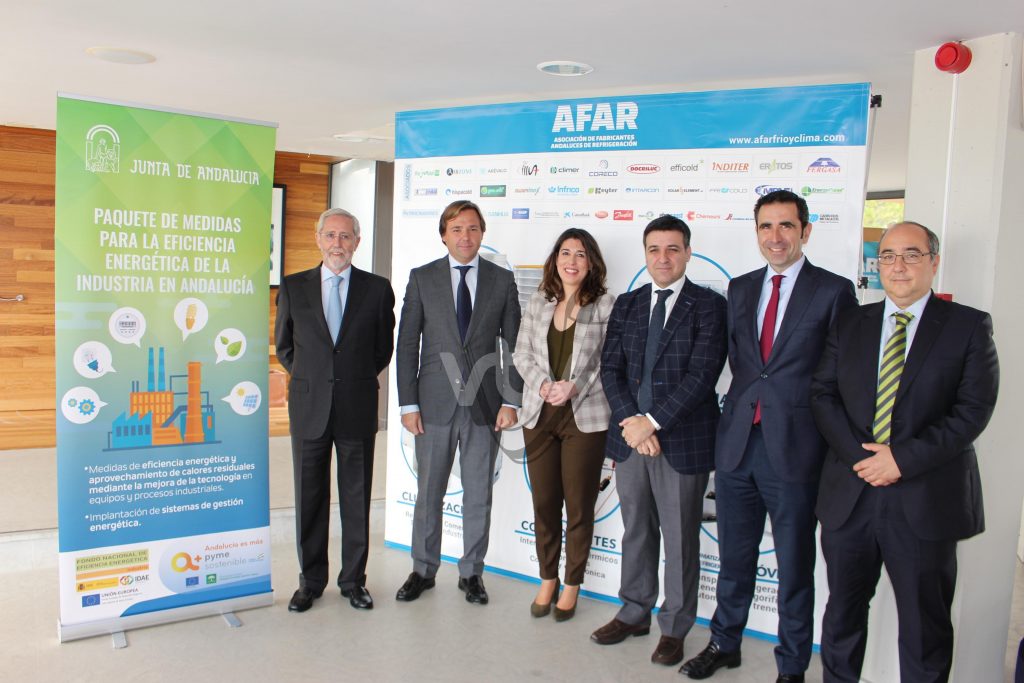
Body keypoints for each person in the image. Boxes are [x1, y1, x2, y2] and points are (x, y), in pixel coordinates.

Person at [811, 221, 999, 682]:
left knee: (924, 626)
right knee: (842, 616)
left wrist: (900, 460)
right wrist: (864, 460)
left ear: (934, 262)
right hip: (851, 495)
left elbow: (972, 412)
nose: (898, 266)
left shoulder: (967, 326)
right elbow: (822, 394)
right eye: (889, 256)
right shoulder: (850, 322)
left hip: (925, 498)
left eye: (912, 254)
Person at [681, 190, 856, 682]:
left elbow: (841, 373)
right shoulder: (740, 288)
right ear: (756, 232)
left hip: (797, 449)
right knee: (733, 558)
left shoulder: (833, 291)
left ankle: (792, 665)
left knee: (795, 567)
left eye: (786, 226)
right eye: (766, 226)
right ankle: (724, 643)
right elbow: (743, 364)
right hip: (738, 445)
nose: (775, 237)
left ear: (805, 231)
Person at [590, 215, 727, 667]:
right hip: (631, 441)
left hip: (681, 442)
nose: (663, 258)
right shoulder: (628, 303)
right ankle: (634, 612)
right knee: (637, 530)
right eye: (654, 249)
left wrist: (651, 423)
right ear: (645, 254)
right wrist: (633, 423)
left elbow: (702, 376)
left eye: (672, 249)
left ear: (688, 252)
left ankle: (674, 626)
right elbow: (611, 369)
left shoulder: (709, 306)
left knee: (681, 539)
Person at [394, 199, 522, 605]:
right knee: (429, 492)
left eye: (472, 228)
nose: (465, 236)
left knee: (479, 493)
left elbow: (514, 346)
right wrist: (408, 405)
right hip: (433, 404)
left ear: (482, 233)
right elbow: (407, 344)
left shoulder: (502, 280)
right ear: (443, 235)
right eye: (456, 229)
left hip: (486, 406)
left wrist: (511, 400)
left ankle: (472, 573)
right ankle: (422, 569)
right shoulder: (422, 278)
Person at [275, 208, 396, 612]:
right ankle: (310, 582)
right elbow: (285, 347)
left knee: (356, 498)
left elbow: (382, 349)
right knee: (309, 498)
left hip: (356, 406)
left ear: (357, 242)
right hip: (309, 407)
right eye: (330, 235)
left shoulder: (377, 289)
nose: (337, 243)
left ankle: (353, 582)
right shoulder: (293, 287)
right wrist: (315, 378)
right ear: (318, 239)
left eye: (345, 236)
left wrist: (349, 378)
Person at [513, 228, 615, 621]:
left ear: (592, 263)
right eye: (565, 253)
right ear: (555, 259)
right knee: (543, 503)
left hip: (584, 417)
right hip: (539, 414)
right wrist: (542, 384)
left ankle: (572, 583)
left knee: (578, 505)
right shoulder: (539, 301)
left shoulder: (605, 305)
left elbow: (608, 360)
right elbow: (521, 353)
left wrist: (575, 386)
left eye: (581, 254)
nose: (572, 261)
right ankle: (547, 578)